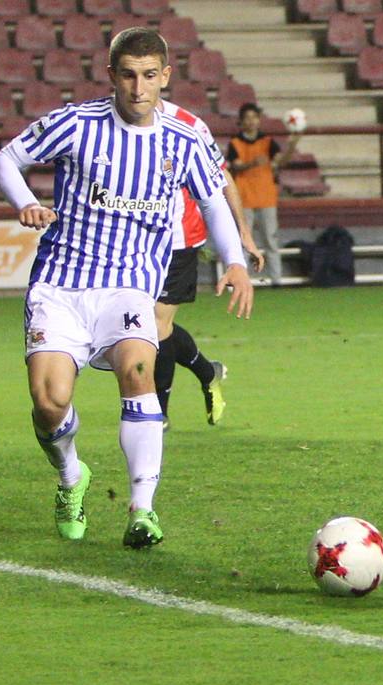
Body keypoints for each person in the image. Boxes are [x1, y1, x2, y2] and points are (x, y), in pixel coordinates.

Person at [0, 26, 252, 549]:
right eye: (128, 75)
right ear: (112, 76)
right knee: (50, 402)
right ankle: (70, 478)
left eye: (150, 76)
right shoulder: (77, 123)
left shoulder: (184, 137)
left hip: (129, 288)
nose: (138, 87)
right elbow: (5, 160)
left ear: (166, 76)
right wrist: (24, 202)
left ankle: (143, 509)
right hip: (60, 286)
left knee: (139, 368)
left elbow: (213, 200)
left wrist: (235, 260)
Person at [155, 95, 266, 432]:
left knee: (156, 325)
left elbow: (223, 179)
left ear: (162, 75)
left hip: (180, 238)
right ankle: (207, 372)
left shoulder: (188, 125)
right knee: (141, 326)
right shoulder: (109, 124)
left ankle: (156, 415)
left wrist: (242, 233)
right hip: (134, 243)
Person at [225, 102, 300, 287]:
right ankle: (243, 280)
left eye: (254, 117)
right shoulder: (235, 143)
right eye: (247, 118)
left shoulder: (268, 142)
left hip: (266, 197)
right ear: (241, 122)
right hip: (244, 198)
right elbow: (236, 165)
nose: (251, 122)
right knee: (244, 241)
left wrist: (292, 146)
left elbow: (280, 161)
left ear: (259, 120)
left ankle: (276, 279)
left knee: (270, 239)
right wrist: (253, 163)